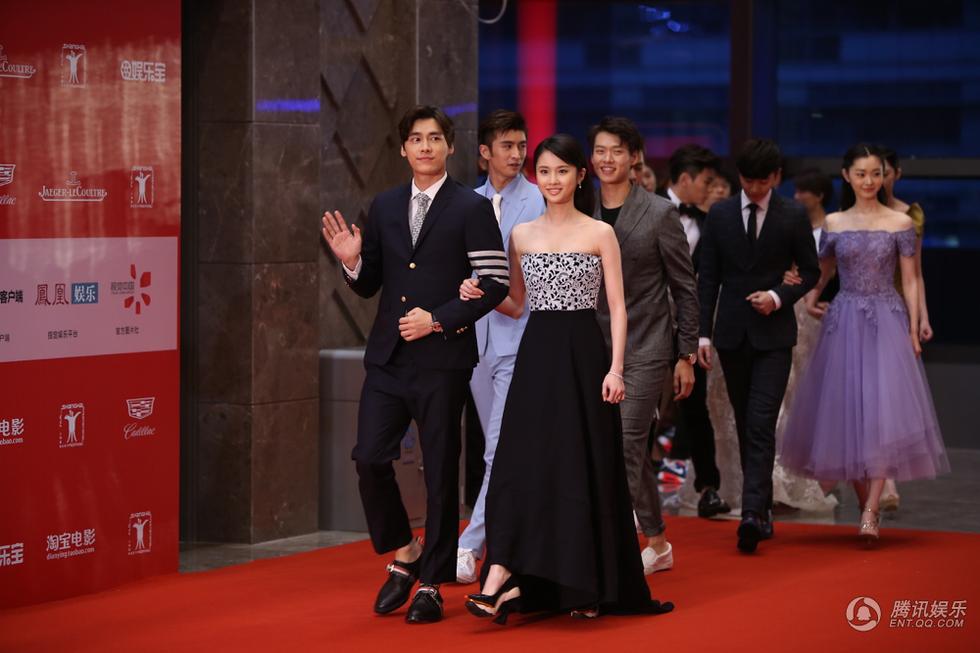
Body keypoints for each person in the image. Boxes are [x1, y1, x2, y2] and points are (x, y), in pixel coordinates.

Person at [458, 134, 672, 622]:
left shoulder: (599, 232)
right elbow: (516, 303)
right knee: (521, 463)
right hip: (536, 356)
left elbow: (617, 307)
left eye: (562, 171)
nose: (552, 180)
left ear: (580, 176)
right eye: (544, 172)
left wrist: (616, 369)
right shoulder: (522, 235)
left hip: (583, 357)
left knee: (581, 465)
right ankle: (502, 574)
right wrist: (478, 294)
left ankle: (584, 584)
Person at [320, 105, 508, 624]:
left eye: (435, 138)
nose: (425, 146)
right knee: (368, 457)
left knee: (442, 473)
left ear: (450, 146)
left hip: (443, 361)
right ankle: (406, 550)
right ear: (403, 149)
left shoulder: (472, 208)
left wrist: (439, 319)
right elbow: (370, 284)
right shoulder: (383, 205)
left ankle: (431, 583)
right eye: (416, 139)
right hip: (388, 358)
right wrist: (352, 261)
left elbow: (496, 283)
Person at [779, 144, 949, 542]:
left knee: (881, 416)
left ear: (885, 175)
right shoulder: (835, 223)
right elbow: (822, 270)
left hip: (887, 320)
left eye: (876, 173)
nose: (869, 181)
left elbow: (911, 279)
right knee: (844, 415)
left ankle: (871, 509)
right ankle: (864, 503)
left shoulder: (900, 222)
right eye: (861, 174)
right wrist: (810, 298)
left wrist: (913, 328)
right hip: (843, 321)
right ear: (846, 176)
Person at [697, 138, 820, 553]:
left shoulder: (793, 214)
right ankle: (761, 507)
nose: (753, 189)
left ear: (776, 178)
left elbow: (810, 271)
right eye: (747, 181)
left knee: (761, 421)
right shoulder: (721, 214)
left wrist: (778, 297)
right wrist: (702, 334)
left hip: (774, 335)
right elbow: (708, 278)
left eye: (761, 182)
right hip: (731, 335)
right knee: (745, 419)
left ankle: (751, 513)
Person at [591, 117, 699, 574]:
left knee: (625, 444)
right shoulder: (579, 207)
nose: (607, 159)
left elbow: (684, 287)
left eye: (617, 150)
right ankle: (657, 540)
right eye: (600, 150)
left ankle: (610, 549)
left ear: (634, 157)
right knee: (618, 448)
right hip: (592, 345)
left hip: (646, 345)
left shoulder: (658, 212)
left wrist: (685, 355)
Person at [456, 110, 546, 584]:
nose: (517, 154)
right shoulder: (466, 201)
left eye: (521, 145)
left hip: (522, 335)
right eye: (507, 146)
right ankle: (514, 537)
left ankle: (471, 544)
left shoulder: (538, 200)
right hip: (474, 340)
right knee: (499, 448)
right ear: (484, 152)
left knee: (496, 447)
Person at [659, 144, 729, 519]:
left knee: (695, 406)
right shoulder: (645, 208)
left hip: (689, 326)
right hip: (645, 324)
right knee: (641, 407)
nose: (708, 188)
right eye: (705, 181)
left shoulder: (709, 222)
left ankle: (708, 488)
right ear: (685, 179)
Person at [877, 145, 934, 512]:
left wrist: (922, 317)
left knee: (889, 397)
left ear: (896, 174)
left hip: (897, 311)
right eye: (869, 172)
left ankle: (887, 477)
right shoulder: (851, 215)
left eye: (883, 172)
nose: (877, 179)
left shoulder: (909, 215)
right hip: (859, 310)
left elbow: (916, 274)